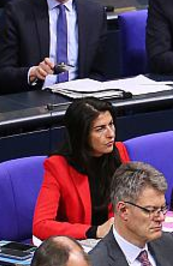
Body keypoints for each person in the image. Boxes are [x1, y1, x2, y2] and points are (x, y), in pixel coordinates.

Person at [32, 98, 129, 240]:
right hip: (82, 244)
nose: (110, 134)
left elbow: (131, 199)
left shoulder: (119, 151)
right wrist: (94, 231)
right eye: (100, 129)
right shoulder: (57, 166)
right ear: (81, 135)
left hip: (117, 239)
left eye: (111, 124)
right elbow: (41, 225)